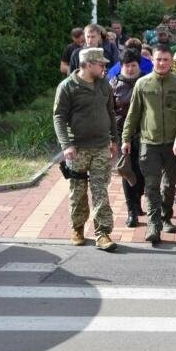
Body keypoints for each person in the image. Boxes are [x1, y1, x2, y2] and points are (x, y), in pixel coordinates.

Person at [121, 43, 176, 244]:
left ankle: (166, 217)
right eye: (158, 59)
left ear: (171, 62)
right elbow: (133, 114)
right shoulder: (142, 84)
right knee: (151, 185)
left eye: (165, 59)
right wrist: (126, 138)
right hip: (148, 143)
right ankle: (153, 225)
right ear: (152, 60)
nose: (161, 63)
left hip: (172, 145)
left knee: (168, 186)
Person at [52, 47, 118, 252]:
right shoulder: (67, 87)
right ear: (88, 65)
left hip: (100, 147)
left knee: (100, 190)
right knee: (78, 191)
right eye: (101, 64)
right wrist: (66, 145)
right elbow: (59, 117)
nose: (104, 67)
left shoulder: (104, 85)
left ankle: (103, 233)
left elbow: (111, 112)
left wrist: (114, 139)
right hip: (77, 149)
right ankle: (78, 228)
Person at [111, 48, 147, 228]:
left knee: (142, 172)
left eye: (133, 65)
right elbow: (109, 112)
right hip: (123, 134)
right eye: (127, 65)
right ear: (121, 66)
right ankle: (131, 210)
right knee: (127, 171)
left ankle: (139, 199)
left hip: (146, 134)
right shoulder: (114, 84)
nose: (130, 69)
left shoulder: (148, 81)